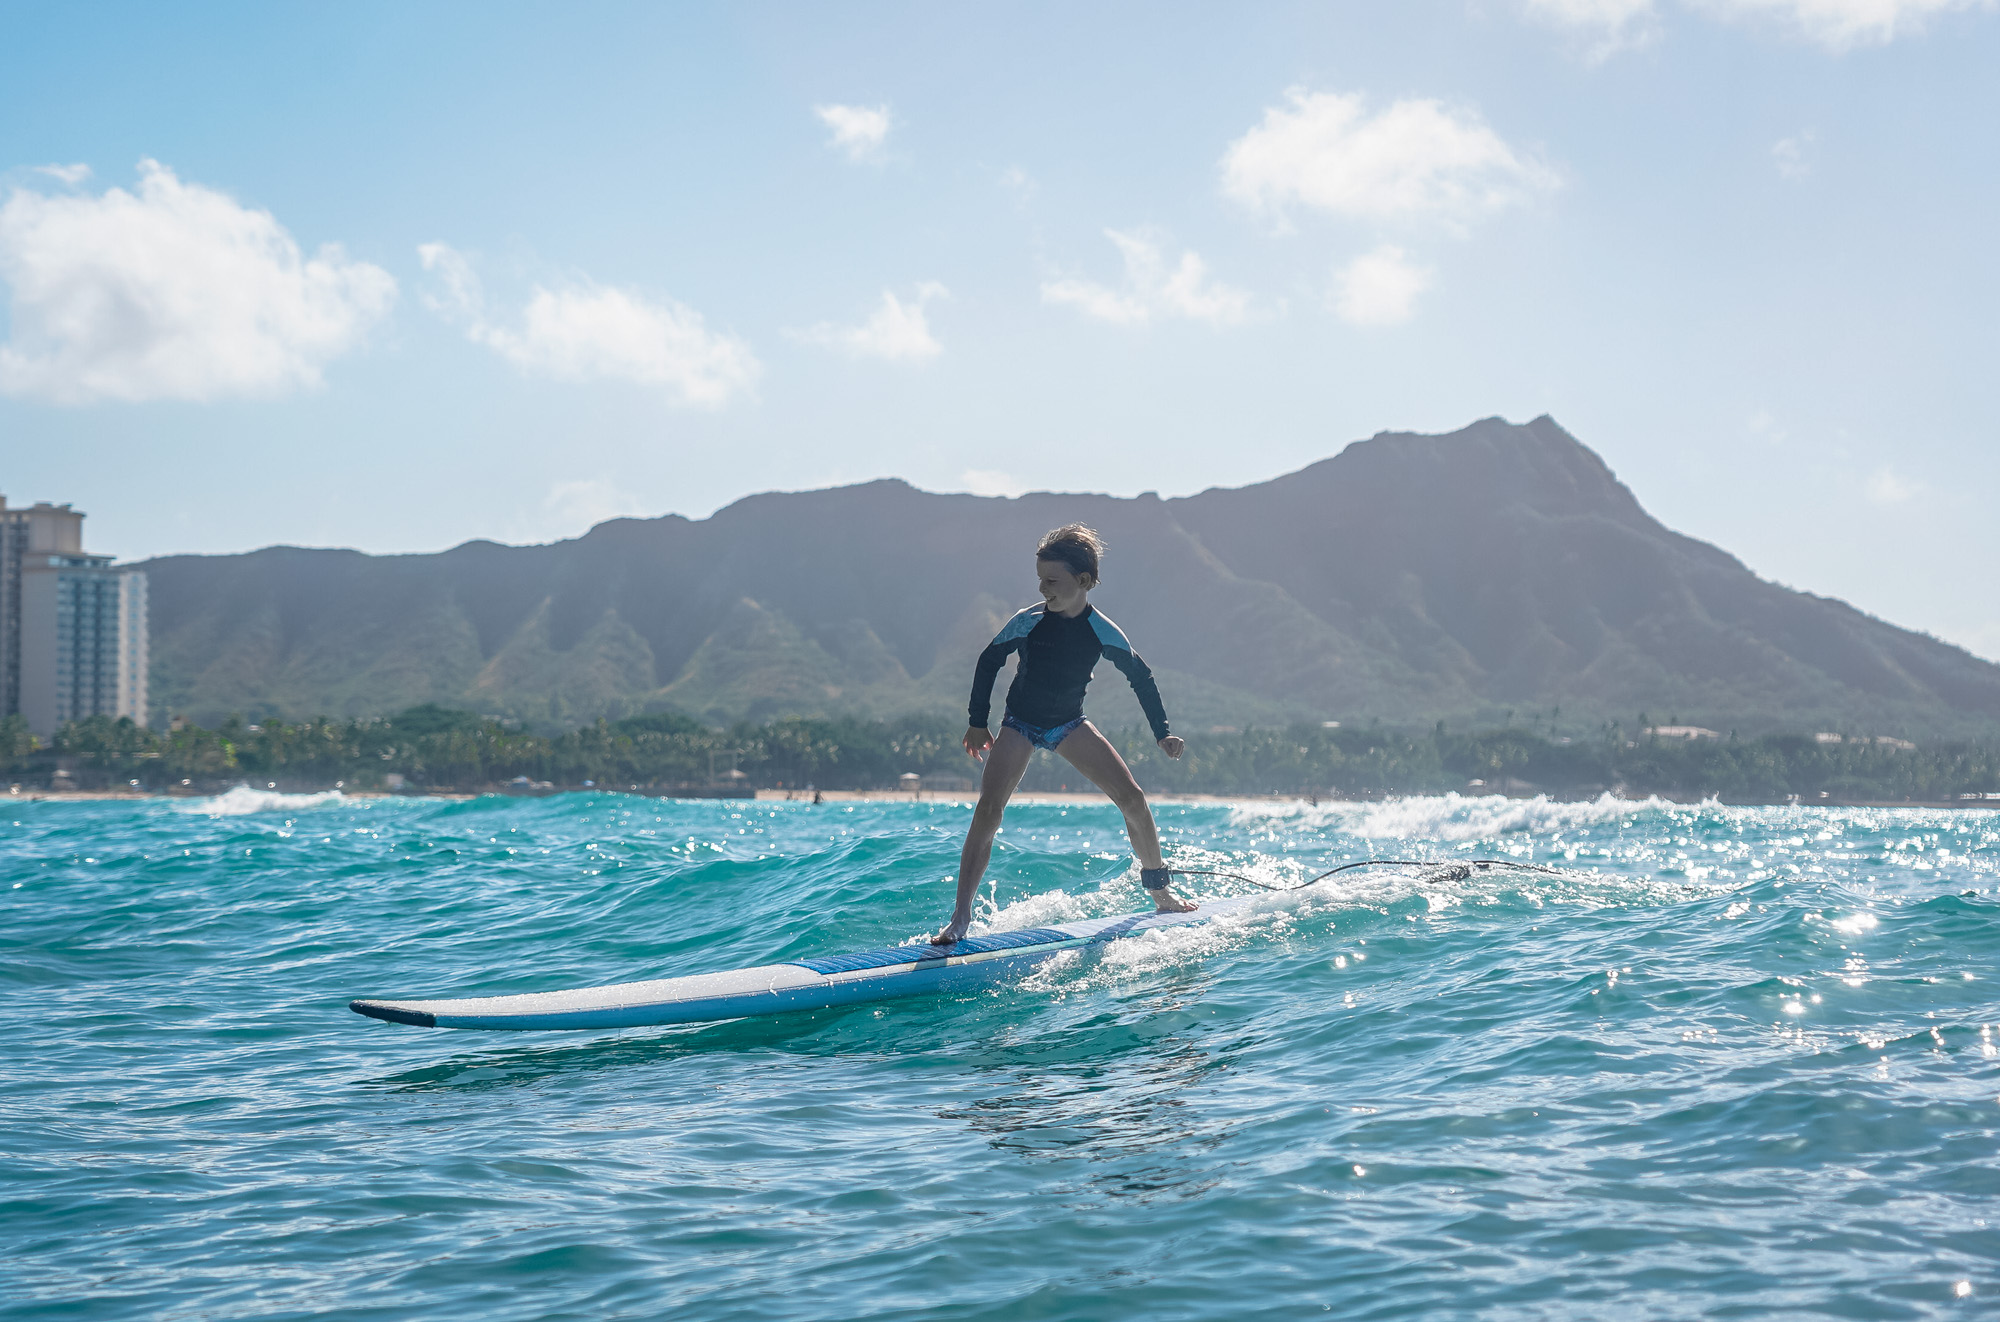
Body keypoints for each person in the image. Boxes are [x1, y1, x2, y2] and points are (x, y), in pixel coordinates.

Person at [932, 524, 1195, 944]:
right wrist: (978, 721)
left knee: (1133, 799)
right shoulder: (1029, 621)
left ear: (1084, 581)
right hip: (1018, 722)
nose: (1042, 588)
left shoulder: (1102, 630)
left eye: (1052, 581)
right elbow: (988, 660)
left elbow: (1141, 678)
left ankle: (1159, 890)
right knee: (989, 809)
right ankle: (960, 917)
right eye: (1040, 579)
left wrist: (1163, 733)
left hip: (1069, 723)